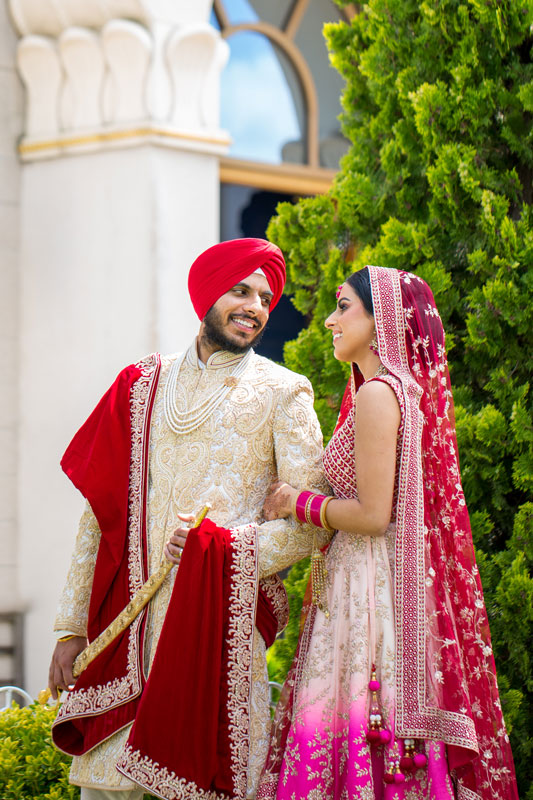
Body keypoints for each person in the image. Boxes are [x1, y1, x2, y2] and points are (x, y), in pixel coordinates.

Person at [47, 238, 330, 800]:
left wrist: (223, 545)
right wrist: (70, 627)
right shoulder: (139, 385)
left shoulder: (284, 393)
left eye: (265, 297)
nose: (254, 305)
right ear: (207, 294)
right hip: (123, 633)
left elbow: (312, 521)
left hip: (215, 631)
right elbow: (99, 516)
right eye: (240, 290)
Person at [258, 265, 518, 800]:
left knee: (358, 725)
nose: (330, 319)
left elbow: (374, 515)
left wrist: (296, 502)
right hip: (382, 581)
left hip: (371, 590)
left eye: (343, 306)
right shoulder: (398, 389)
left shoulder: (381, 393)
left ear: (384, 321)